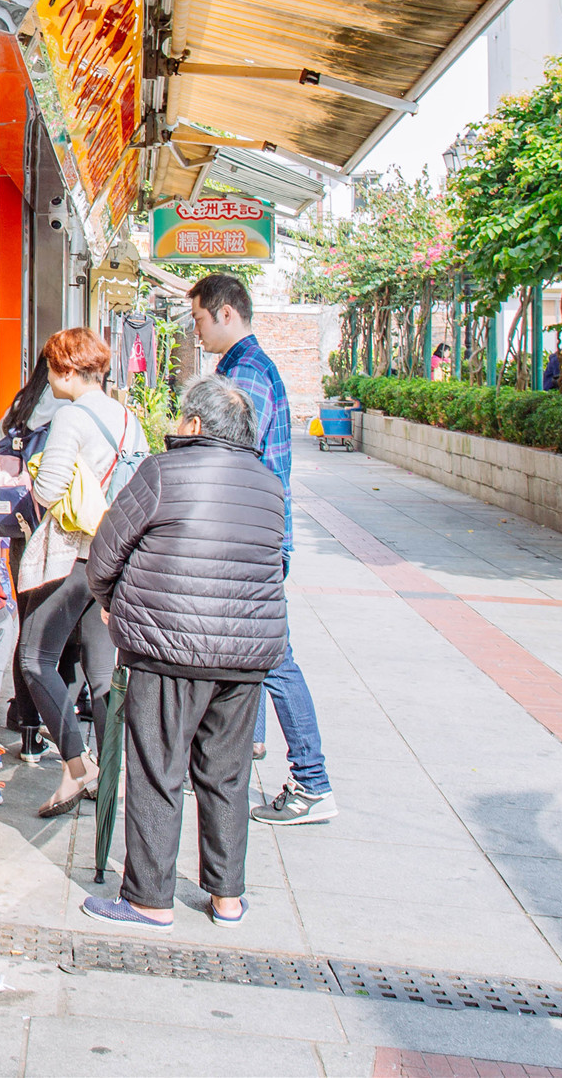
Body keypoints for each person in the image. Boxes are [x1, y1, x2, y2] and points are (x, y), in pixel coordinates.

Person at [80, 375, 288, 931]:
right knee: (227, 773)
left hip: (169, 648)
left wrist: (110, 602)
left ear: (194, 425)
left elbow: (106, 550)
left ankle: (149, 898)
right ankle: (228, 898)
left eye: (180, 419)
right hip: (245, 655)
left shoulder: (163, 471)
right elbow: (276, 565)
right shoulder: (270, 484)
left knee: (157, 770)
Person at [189, 272, 335, 826]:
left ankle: (313, 783)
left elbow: (226, 457)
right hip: (258, 535)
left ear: (227, 313)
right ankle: (240, 752)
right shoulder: (241, 368)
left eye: (200, 319)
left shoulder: (245, 374)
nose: (196, 331)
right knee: (247, 654)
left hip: (248, 540)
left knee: (273, 658)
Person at [16, 328, 146, 819]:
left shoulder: (71, 415)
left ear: (68, 370)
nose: (49, 380)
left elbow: (49, 490)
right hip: (111, 559)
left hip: (71, 555)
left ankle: (78, 766)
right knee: (101, 671)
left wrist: (32, 475)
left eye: (52, 369)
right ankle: (114, 774)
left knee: (34, 657)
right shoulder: (127, 416)